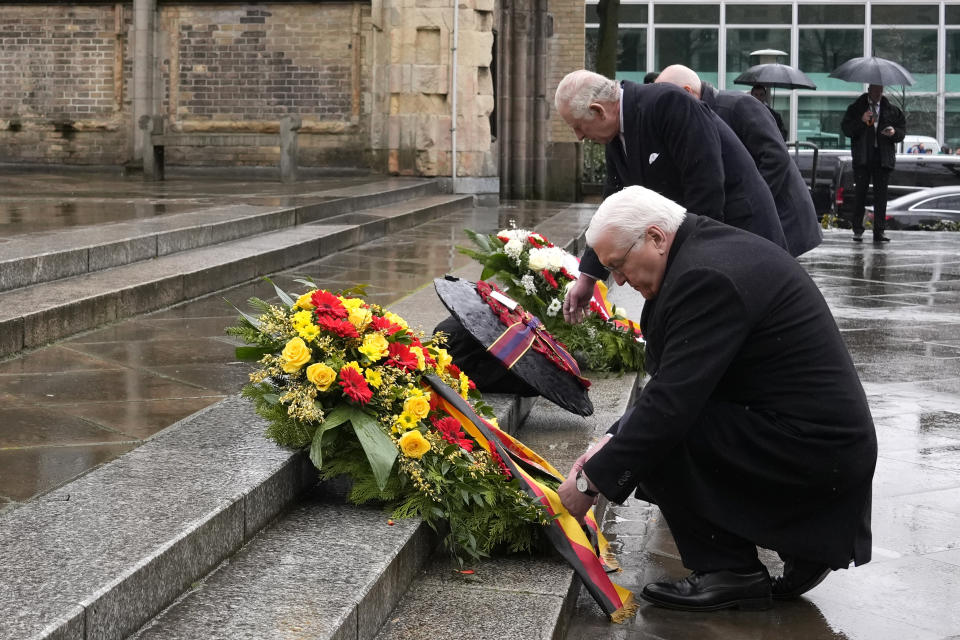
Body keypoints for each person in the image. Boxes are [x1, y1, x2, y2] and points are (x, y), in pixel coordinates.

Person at [557, 185, 878, 612]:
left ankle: (729, 570)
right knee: (642, 434)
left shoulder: (706, 275)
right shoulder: (702, 250)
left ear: (655, 237)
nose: (617, 279)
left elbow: (672, 404)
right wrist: (608, 445)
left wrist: (590, 481)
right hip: (808, 439)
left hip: (816, 454)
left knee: (662, 438)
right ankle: (799, 549)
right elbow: (679, 384)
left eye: (619, 264)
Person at [554, 69, 786, 320]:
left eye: (577, 126)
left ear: (598, 110)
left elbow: (705, 189)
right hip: (701, 236)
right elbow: (612, 208)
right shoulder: (615, 133)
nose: (579, 136)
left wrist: (689, 270)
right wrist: (588, 277)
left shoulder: (669, 103)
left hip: (741, 235)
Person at [656, 64, 822, 257]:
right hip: (759, 216)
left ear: (687, 92)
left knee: (775, 281)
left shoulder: (738, 105)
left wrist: (752, 202)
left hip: (782, 215)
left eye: (668, 99)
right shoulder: (708, 112)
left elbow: (776, 158)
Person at [841, 84, 906, 243]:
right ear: (869, 91)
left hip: (882, 158)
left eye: (880, 91)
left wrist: (893, 132)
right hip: (863, 157)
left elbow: (901, 132)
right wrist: (862, 121)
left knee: (881, 197)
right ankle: (857, 229)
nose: (878, 94)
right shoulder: (856, 108)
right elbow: (847, 130)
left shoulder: (891, 110)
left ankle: (879, 232)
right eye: (875, 91)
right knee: (860, 194)